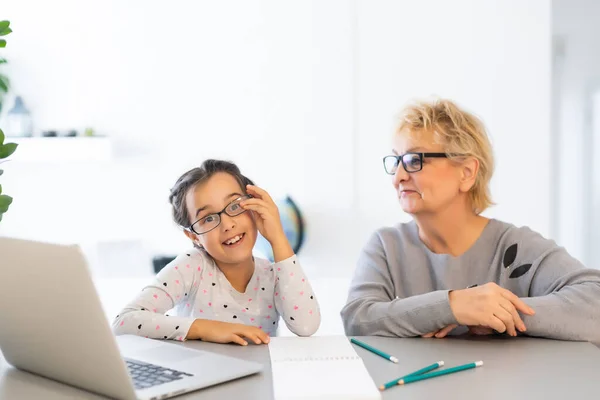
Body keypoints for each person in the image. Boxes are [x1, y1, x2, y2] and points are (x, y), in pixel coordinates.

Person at [341, 98, 600, 345]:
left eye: (413, 160)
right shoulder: (386, 246)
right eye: (396, 161)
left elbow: (594, 301)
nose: (398, 177)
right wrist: (451, 306)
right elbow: (357, 318)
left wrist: (494, 313)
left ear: (466, 173)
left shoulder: (515, 247)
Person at [113, 159, 321, 345]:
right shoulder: (192, 267)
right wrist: (206, 328)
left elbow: (306, 326)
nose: (228, 225)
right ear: (194, 237)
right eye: (208, 218)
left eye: (234, 206)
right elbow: (124, 322)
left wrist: (278, 239)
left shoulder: (274, 273)